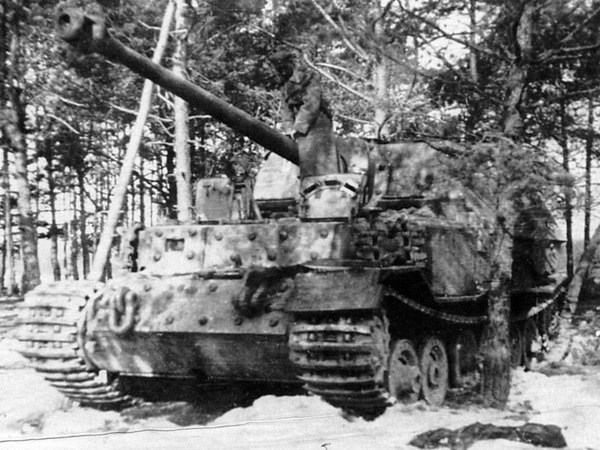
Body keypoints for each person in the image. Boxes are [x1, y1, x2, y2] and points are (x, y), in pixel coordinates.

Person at [270, 51, 340, 178]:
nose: (283, 72)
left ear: (291, 63)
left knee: (321, 165)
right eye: (279, 69)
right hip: (299, 126)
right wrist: (289, 128)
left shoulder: (309, 76)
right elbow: (286, 110)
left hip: (317, 123)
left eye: (284, 68)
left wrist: (298, 127)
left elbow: (311, 104)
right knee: (301, 166)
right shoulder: (284, 83)